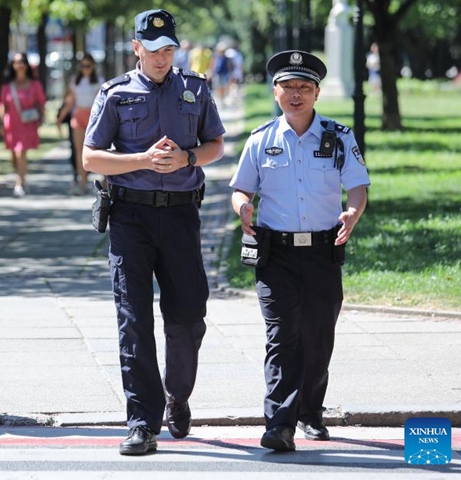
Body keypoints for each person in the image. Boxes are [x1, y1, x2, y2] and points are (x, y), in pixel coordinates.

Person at [83, 9, 225, 456]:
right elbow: (91, 157)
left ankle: (177, 394)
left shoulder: (195, 89)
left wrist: (187, 159)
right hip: (131, 218)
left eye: (168, 49)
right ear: (136, 47)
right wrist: (142, 160)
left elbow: (216, 145)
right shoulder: (115, 93)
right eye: (154, 48)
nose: (162, 57)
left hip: (182, 216)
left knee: (187, 317)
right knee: (134, 321)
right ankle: (142, 421)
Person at [229, 50, 370, 452]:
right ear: (275, 92)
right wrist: (243, 208)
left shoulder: (338, 137)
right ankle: (279, 423)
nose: (296, 94)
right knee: (281, 337)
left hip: (324, 251)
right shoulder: (260, 140)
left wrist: (353, 214)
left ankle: (310, 412)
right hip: (277, 255)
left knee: (318, 336)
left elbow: (358, 185)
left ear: (317, 93)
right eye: (288, 87)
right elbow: (241, 187)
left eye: (304, 87)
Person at [0, 52, 46, 197]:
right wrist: (1, 123)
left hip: (28, 123)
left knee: (21, 152)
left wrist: (42, 117)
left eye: (22, 62)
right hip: (11, 123)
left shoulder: (35, 84)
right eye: (16, 62)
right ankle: (22, 176)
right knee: (14, 155)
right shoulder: (7, 86)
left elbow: (41, 102)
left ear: (26, 65)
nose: (19, 65)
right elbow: (2, 105)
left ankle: (19, 183)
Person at [57, 53, 104, 195]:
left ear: (93, 66)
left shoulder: (99, 81)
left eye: (88, 66)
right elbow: (70, 101)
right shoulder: (75, 81)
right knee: (79, 151)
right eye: (83, 66)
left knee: (97, 148)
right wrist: (60, 119)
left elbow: (102, 101)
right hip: (78, 116)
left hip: (93, 116)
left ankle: (104, 178)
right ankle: (82, 182)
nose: (85, 69)